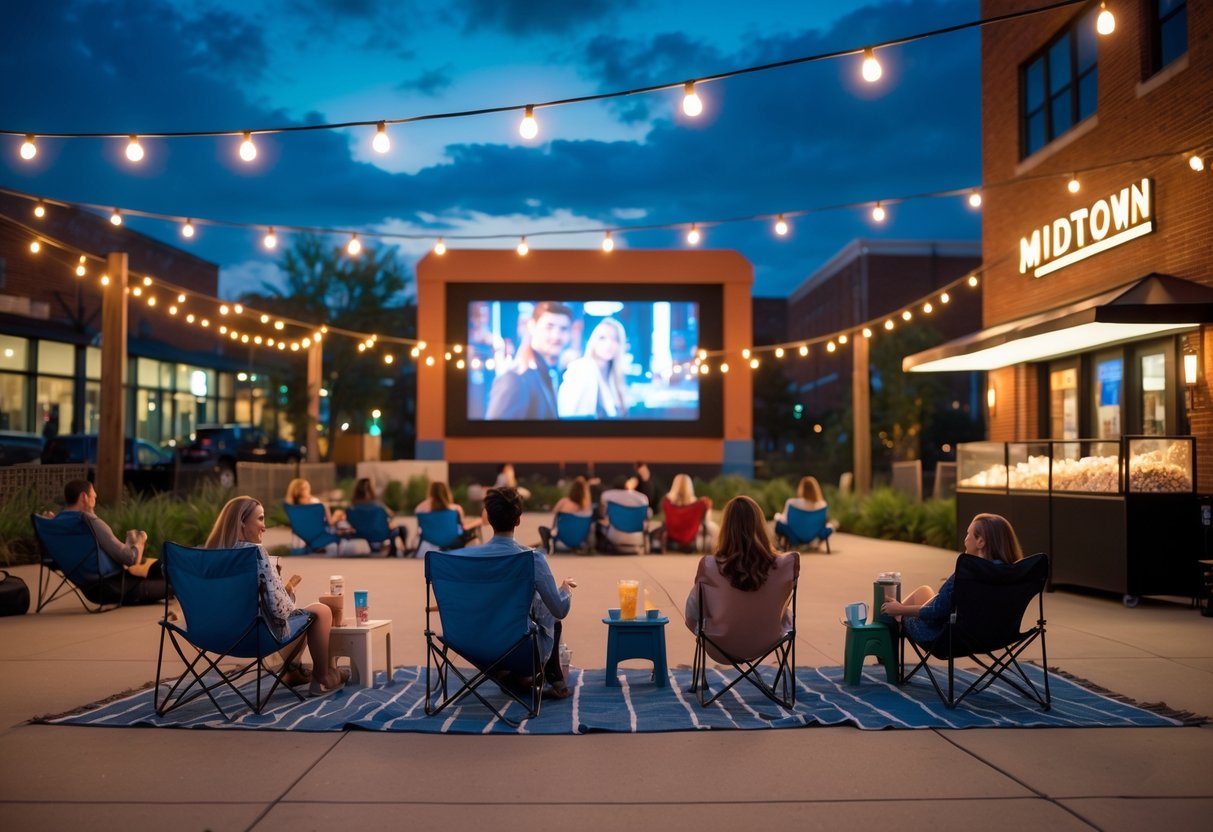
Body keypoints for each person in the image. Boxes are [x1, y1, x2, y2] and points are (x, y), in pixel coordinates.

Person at [205, 496, 349, 696]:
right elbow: (281, 611)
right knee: (321, 611)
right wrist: (284, 589)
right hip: (255, 637)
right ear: (241, 523)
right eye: (261, 519)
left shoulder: (208, 558)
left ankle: (292, 671)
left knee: (297, 618)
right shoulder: (255, 553)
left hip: (212, 635)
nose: (265, 527)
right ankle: (322, 678)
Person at [453, 487, 576, 699]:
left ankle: (511, 678)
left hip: (474, 647)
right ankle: (550, 676)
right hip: (520, 651)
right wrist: (564, 589)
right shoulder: (532, 559)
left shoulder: (466, 558)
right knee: (547, 610)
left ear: (488, 518)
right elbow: (559, 609)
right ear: (518, 520)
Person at [880, 513, 1024, 645]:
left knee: (897, 612)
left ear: (980, 541)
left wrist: (902, 610)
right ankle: (888, 637)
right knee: (924, 591)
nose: (965, 539)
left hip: (949, 636)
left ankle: (885, 641)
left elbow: (937, 612)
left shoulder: (967, 574)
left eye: (968, 534)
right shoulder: (1012, 573)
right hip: (999, 635)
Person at [683, 496, 797, 657]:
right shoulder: (785, 565)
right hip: (770, 642)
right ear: (760, 526)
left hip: (719, 645)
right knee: (787, 613)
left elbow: (692, 613)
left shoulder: (710, 566)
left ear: (726, 527)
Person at [40, 479, 168, 605]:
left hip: (89, 590)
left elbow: (51, 560)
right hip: (116, 587)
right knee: (172, 581)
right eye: (93, 497)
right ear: (84, 497)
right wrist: (139, 541)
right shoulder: (87, 520)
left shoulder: (55, 525)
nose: (95, 501)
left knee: (158, 568)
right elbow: (129, 558)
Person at [485, 301, 573, 420]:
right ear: (532, 326)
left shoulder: (550, 373)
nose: (556, 336)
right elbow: (493, 435)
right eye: (549, 327)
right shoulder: (516, 378)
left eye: (563, 329)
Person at [557, 318, 629, 418]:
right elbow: (565, 413)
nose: (609, 344)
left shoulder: (614, 377)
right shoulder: (581, 369)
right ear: (593, 341)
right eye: (602, 338)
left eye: (615, 339)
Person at [651, 473, 719, 553]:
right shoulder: (698, 504)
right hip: (692, 537)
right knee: (714, 528)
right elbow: (706, 521)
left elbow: (666, 521)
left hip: (672, 535)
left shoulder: (667, 503)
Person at [414, 480, 482, 545]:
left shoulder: (420, 509)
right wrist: (478, 521)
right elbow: (463, 527)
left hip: (430, 542)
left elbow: (419, 528)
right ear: (446, 492)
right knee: (473, 537)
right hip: (452, 543)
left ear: (430, 492)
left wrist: (430, 500)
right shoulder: (456, 509)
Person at [773, 475, 835, 545]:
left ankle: (784, 544)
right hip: (813, 537)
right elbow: (824, 522)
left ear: (801, 488)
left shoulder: (792, 502)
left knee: (779, 523)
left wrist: (777, 516)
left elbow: (785, 520)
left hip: (794, 537)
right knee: (830, 526)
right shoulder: (822, 505)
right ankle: (814, 542)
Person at [596, 477, 652, 554]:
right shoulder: (642, 498)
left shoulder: (607, 495)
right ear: (627, 485)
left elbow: (602, 513)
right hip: (637, 537)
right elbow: (647, 515)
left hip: (614, 537)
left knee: (600, 522)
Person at [538, 475, 594, 552]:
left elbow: (554, 513)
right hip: (578, 541)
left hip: (562, 539)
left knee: (542, 529)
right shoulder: (588, 506)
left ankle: (546, 547)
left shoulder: (564, 502)